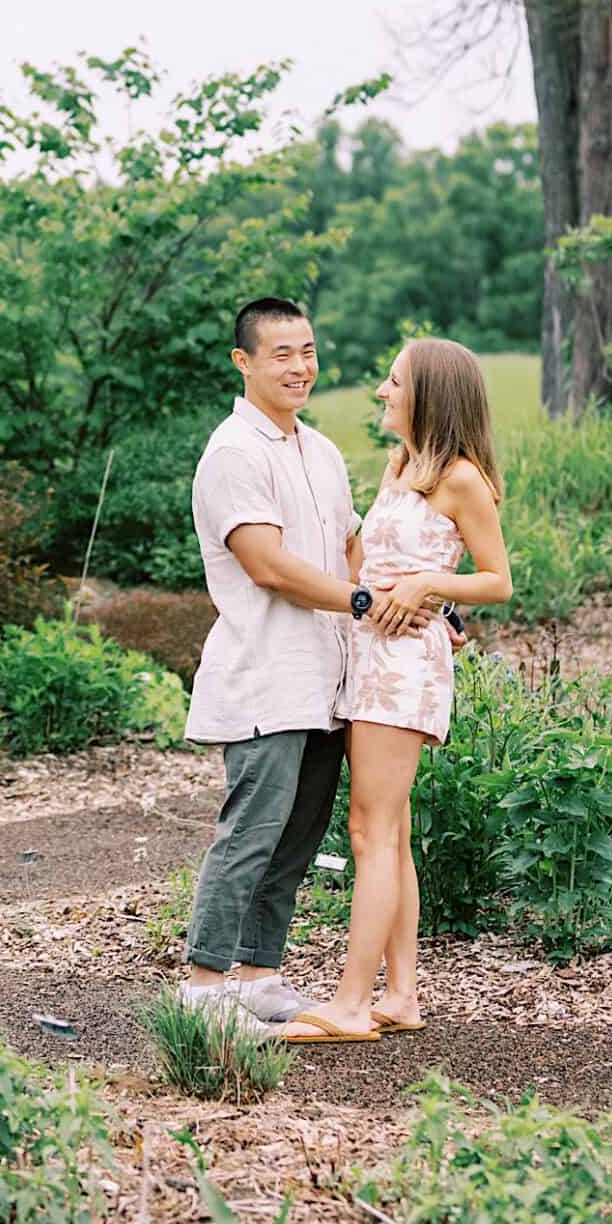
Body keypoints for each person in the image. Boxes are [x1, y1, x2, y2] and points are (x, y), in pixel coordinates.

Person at [177, 298, 442, 1030]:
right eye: (281, 354)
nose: (300, 367)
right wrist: (365, 599)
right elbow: (268, 564)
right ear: (244, 362)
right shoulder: (234, 453)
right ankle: (203, 986)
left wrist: (423, 607)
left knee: (297, 836)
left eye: (307, 350)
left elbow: (356, 549)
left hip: (328, 680)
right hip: (266, 675)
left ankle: (261, 975)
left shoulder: (319, 451)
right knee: (251, 832)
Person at [279, 337, 510, 1044]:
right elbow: (381, 558)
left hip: (404, 665)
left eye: (394, 381)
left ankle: (352, 1002)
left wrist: (430, 589)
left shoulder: (461, 478)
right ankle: (401, 993)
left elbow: (497, 578)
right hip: (369, 655)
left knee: (369, 831)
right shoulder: (401, 464)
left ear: (430, 395)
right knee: (393, 829)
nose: (382, 391)